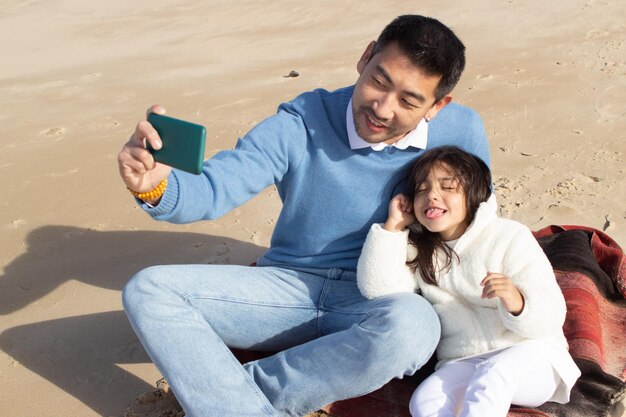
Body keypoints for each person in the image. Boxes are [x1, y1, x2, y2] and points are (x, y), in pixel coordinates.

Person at [117, 15, 491, 417]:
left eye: (409, 101)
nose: (382, 108)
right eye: (379, 82)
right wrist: (154, 185)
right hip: (287, 286)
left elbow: (479, 223)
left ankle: (241, 396)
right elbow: (215, 186)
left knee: (415, 326)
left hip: (383, 296)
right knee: (148, 290)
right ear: (365, 58)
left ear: (437, 106)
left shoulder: (462, 131)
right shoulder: (301, 123)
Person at [356, 146, 580, 417]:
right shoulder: (419, 249)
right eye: (421, 189)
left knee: (493, 375)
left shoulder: (508, 236)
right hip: (462, 362)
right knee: (424, 401)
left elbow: (553, 313)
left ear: (475, 194)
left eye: (447, 186)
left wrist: (517, 301)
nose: (432, 195)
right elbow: (379, 288)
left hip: (533, 356)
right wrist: (392, 228)